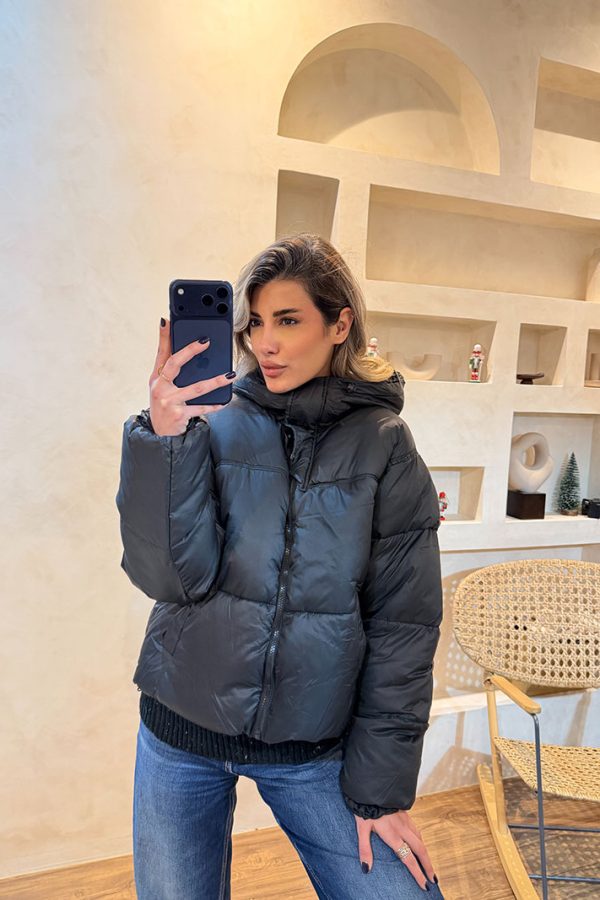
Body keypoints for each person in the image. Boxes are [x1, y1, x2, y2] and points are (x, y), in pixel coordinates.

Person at [116, 233, 445, 899]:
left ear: (339, 324)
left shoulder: (384, 446)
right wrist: (165, 443)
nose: (265, 343)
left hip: (311, 747)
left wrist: (380, 792)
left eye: (288, 321)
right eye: (256, 323)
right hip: (180, 731)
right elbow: (169, 578)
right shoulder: (212, 420)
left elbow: (402, 627)